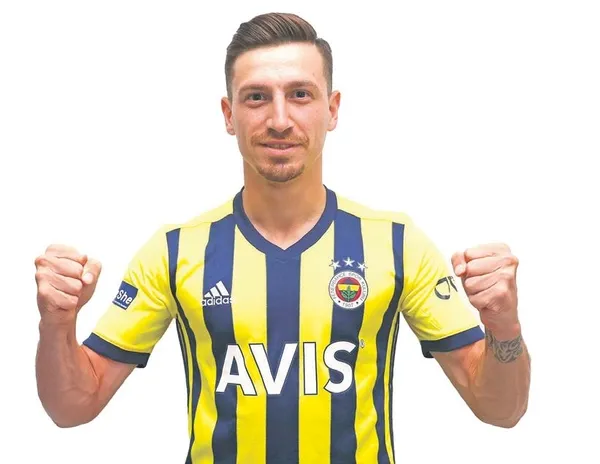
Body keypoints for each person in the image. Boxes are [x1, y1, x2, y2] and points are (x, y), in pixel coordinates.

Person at [34, 12, 531, 464]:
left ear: (332, 109)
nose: (278, 120)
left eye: (300, 94)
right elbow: (73, 406)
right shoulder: (175, 251)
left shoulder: (397, 245)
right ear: (229, 114)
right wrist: (58, 323)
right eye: (256, 97)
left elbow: (500, 409)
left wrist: (504, 324)